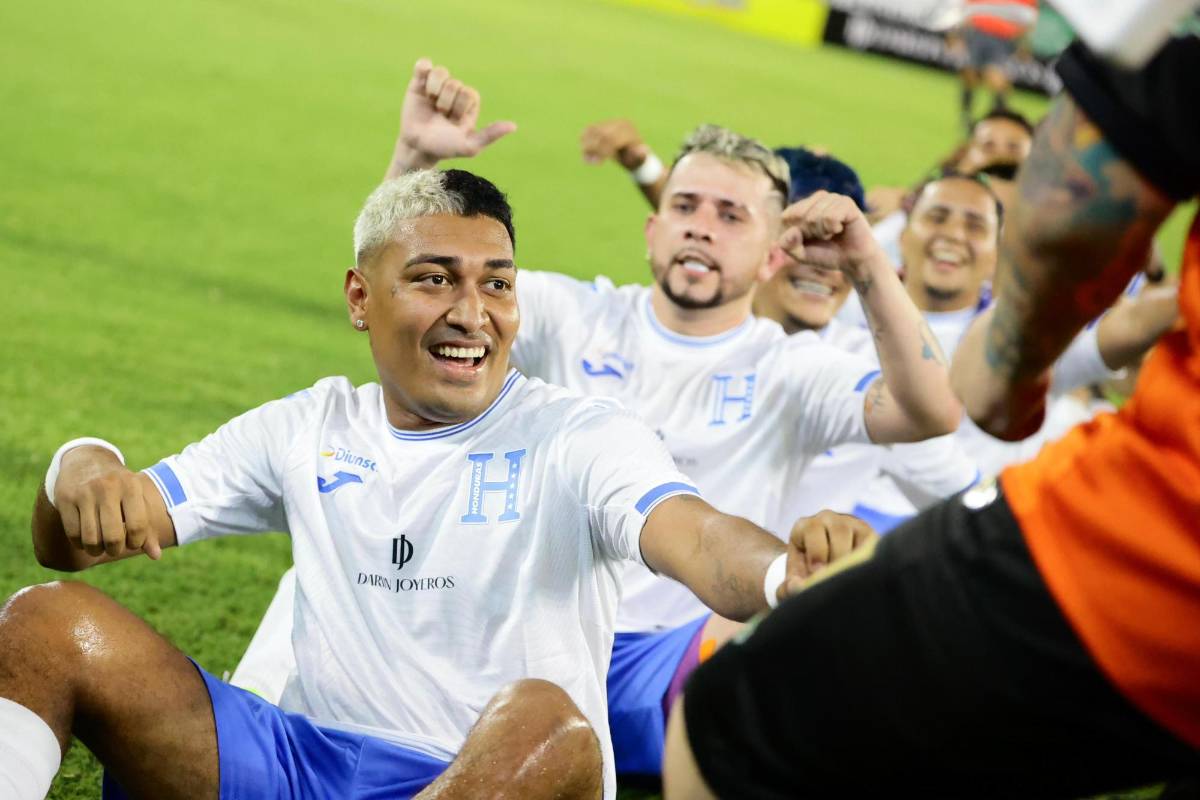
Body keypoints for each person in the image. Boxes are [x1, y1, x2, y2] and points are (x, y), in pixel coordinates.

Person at [0, 168, 870, 800]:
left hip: (491, 775)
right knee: (44, 623)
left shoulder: (579, 434)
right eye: (433, 279)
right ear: (359, 298)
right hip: (304, 760)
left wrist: (776, 573)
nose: (472, 312)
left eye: (496, 284)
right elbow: (73, 537)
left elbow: (699, 535)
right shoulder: (311, 424)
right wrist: (80, 459)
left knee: (550, 722)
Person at [235, 59, 964, 781]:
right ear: (652, 229)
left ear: (774, 253)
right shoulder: (574, 315)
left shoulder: (791, 370)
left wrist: (868, 260)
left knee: (799, 628)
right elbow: (409, 287)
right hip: (519, 643)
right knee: (337, 530)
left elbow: (932, 409)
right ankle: (262, 745)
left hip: (668, 657)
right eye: (685, 207)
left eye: (730, 215)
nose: (701, 229)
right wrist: (416, 160)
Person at [665, 32, 1200, 798]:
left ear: (995, 253)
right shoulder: (832, 331)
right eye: (936, 218)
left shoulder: (885, 345)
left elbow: (1081, 204)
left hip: (1148, 556)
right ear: (904, 231)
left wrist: (1004, 375)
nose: (951, 237)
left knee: (731, 717)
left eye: (977, 226)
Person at [948, 0, 1038, 129]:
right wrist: (956, 33)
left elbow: (1030, 19)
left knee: (997, 80)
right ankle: (966, 117)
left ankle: (996, 121)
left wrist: (1024, 44)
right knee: (970, 76)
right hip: (976, 32)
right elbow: (967, 7)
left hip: (1003, 39)